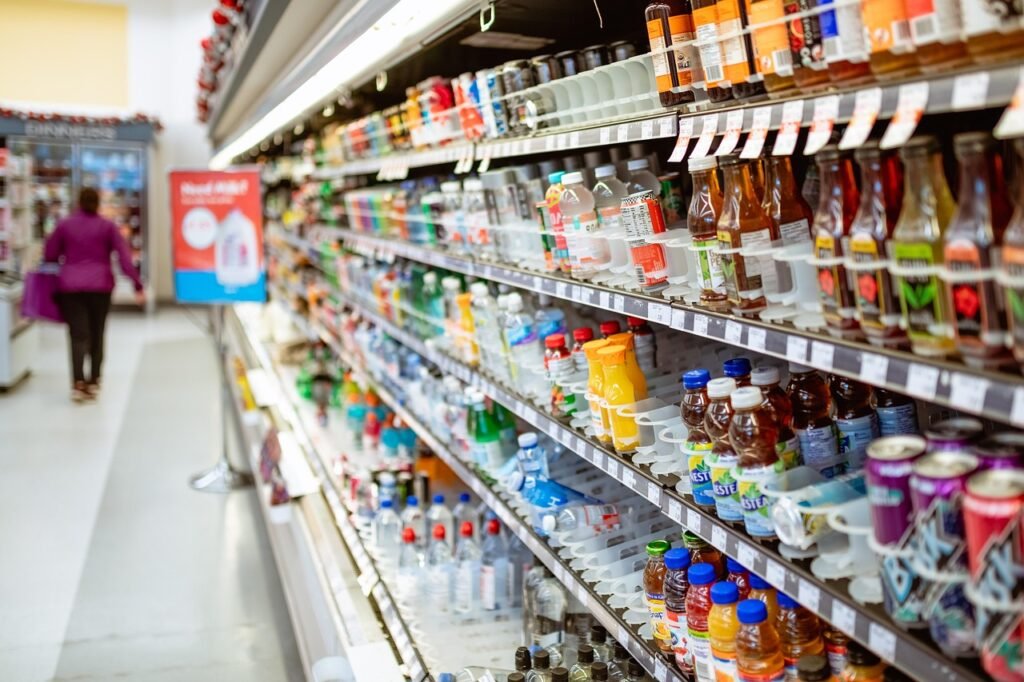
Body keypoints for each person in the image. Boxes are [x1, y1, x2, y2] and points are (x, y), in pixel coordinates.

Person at [43, 187, 145, 402]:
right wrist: (137, 285)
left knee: (78, 334)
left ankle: (78, 383)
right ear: (98, 203)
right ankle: (94, 380)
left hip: (71, 287)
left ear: (78, 202)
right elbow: (124, 258)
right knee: (97, 333)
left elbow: (50, 254)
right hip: (100, 286)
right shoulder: (107, 226)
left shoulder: (65, 225)